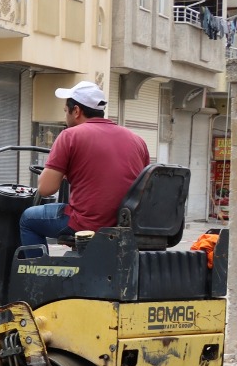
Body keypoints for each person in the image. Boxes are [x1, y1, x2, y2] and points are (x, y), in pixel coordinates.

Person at [19, 80, 150, 255]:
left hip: (87, 223)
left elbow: (45, 188)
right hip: (125, 225)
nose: (65, 116)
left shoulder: (70, 136)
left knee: (28, 218)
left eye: (66, 111)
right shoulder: (137, 140)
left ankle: (35, 278)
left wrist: (57, 171)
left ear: (77, 111)